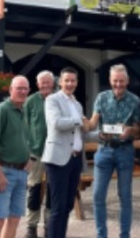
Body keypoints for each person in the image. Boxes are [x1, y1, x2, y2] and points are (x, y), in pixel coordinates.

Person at [88, 64, 140, 238]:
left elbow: (139, 129)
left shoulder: (135, 100)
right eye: (115, 81)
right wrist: (90, 127)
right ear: (110, 81)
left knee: (125, 197)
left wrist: (129, 131)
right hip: (104, 150)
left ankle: (124, 235)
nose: (118, 84)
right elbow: (93, 122)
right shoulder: (102, 98)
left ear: (127, 81)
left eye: (121, 81)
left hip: (125, 151)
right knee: (97, 196)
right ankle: (101, 235)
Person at [43, 67, 94, 238]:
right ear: (60, 82)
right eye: (67, 80)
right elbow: (57, 122)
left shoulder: (77, 104)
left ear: (77, 82)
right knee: (57, 207)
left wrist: (102, 134)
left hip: (75, 160)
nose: (70, 84)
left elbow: (82, 131)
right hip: (58, 159)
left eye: (73, 80)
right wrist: (80, 120)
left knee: (67, 206)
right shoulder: (52, 100)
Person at [0, 75, 33, 238]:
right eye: (19, 88)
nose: (22, 91)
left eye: (25, 88)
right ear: (11, 90)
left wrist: (29, 159)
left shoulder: (23, 111)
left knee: (14, 219)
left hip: (21, 173)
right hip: (4, 172)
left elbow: (25, 139)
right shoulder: (2, 110)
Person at [24, 70, 54, 238]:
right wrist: (27, 150)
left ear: (52, 83)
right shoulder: (31, 101)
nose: (45, 85)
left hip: (55, 154)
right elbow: (24, 126)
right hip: (36, 153)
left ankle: (49, 225)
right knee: (34, 190)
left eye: (47, 82)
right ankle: (31, 226)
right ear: (37, 84)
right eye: (42, 83)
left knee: (51, 190)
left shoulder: (58, 99)